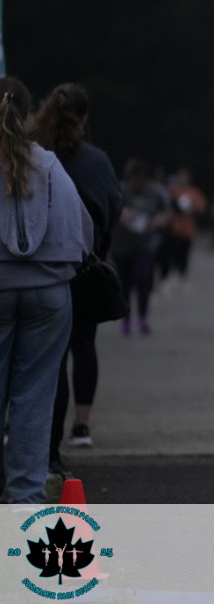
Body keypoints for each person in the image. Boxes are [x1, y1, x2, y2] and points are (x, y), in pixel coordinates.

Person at [0, 77, 93, 504]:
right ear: (28, 114)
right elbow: (84, 233)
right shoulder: (51, 166)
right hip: (50, 295)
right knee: (35, 398)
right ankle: (26, 497)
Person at [30, 83, 124, 478]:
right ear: (84, 119)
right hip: (82, 269)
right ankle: (80, 426)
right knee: (82, 346)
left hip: (32, 269)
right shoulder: (96, 160)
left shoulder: (32, 155)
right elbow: (113, 206)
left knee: (43, 364)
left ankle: (38, 446)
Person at [109, 157, 172, 335]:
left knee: (143, 278)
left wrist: (158, 220)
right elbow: (109, 209)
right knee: (124, 282)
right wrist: (120, 215)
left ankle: (143, 317)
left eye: (142, 178)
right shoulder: (120, 190)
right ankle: (126, 319)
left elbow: (168, 212)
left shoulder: (156, 192)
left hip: (146, 243)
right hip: (122, 244)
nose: (138, 182)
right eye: (135, 178)